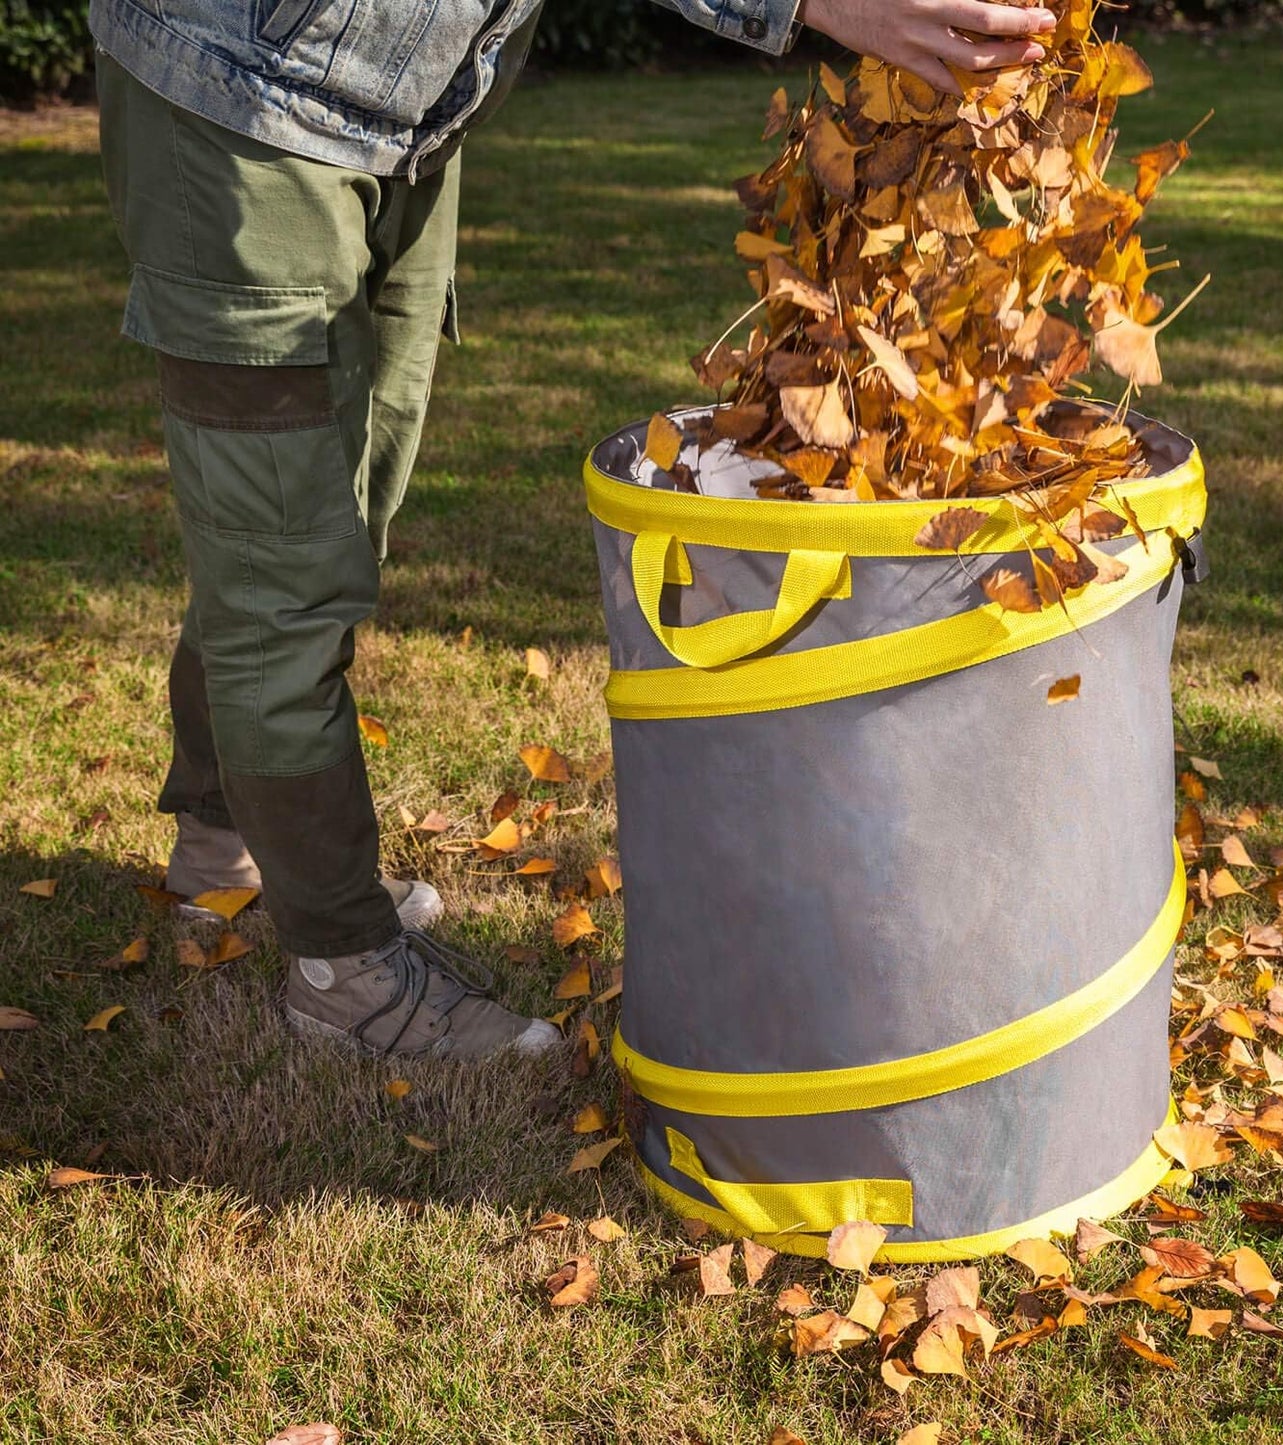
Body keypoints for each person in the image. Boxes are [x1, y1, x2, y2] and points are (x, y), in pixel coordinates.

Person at [88, 0, 1058, 1062]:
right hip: (241, 100)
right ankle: (340, 970)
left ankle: (225, 842)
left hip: (402, 107)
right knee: (283, 557)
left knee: (341, 500)